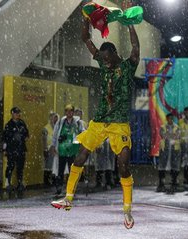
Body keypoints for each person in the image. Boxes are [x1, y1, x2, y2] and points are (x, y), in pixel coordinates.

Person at [51, 12, 140, 229]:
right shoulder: (102, 60)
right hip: (99, 121)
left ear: (115, 54)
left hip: (119, 122)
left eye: (108, 59)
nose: (106, 63)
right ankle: (68, 198)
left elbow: (136, 48)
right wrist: (86, 19)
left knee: (123, 163)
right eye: (104, 60)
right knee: (80, 156)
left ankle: (127, 210)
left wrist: (129, 25)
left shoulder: (128, 67)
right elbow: (85, 39)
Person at [50, 104, 84, 195]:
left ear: (73, 112)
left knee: (72, 170)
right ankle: (59, 187)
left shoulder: (78, 123)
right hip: (62, 149)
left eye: (71, 111)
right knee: (60, 170)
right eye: (67, 111)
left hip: (73, 150)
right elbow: (55, 134)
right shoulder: (61, 122)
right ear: (65, 112)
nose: (69, 113)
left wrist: (83, 144)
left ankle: (72, 188)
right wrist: (53, 145)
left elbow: (83, 133)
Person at [3, 107, 29, 192]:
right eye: (16, 113)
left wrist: (24, 137)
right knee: (10, 166)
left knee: (20, 167)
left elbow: (27, 134)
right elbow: (5, 138)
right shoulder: (9, 125)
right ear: (12, 114)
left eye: (18, 113)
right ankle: (7, 183)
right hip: (11, 149)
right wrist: (5, 149)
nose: (18, 114)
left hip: (21, 148)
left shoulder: (22, 123)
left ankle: (19, 183)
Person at [157, 113, 181, 194]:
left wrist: (169, 135)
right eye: (169, 118)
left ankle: (174, 183)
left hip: (175, 149)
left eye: (172, 118)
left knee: (174, 166)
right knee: (162, 166)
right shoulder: (163, 127)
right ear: (167, 119)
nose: (171, 119)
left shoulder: (177, 127)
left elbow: (177, 136)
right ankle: (161, 183)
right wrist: (172, 135)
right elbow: (163, 135)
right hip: (165, 149)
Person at [42, 112, 59, 186]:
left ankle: (54, 180)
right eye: (53, 118)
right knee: (48, 165)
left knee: (55, 165)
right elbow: (44, 139)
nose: (55, 119)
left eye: (56, 118)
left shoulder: (58, 128)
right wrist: (45, 149)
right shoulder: (46, 128)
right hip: (49, 148)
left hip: (56, 149)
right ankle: (47, 181)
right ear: (50, 119)